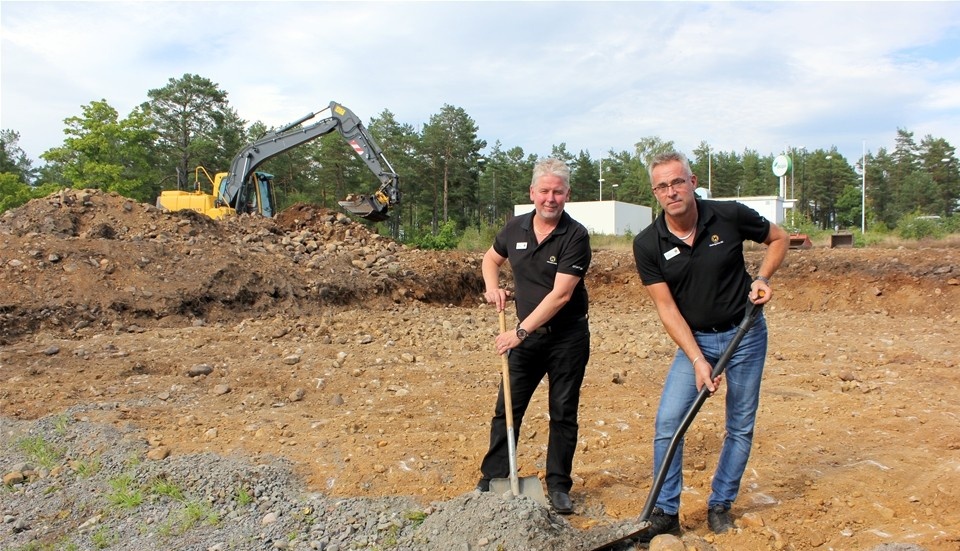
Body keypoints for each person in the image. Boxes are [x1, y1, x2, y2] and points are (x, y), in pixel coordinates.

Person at [632, 151, 789, 539]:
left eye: (678, 181)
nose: (672, 191)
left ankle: (720, 504)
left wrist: (763, 277)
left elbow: (779, 238)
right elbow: (667, 309)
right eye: (663, 186)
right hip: (696, 340)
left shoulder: (728, 215)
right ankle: (666, 512)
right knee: (669, 423)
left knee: (739, 424)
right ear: (655, 192)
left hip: (745, 334)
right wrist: (698, 359)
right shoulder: (648, 243)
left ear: (692, 180)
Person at [476, 157, 591, 515]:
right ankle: (493, 476)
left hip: (566, 337)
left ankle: (558, 485)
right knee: (507, 408)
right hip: (525, 339)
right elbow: (490, 259)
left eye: (558, 191)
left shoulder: (576, 236)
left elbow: (561, 295)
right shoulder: (515, 229)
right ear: (532, 193)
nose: (550, 198)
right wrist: (492, 288)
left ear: (567, 194)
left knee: (562, 411)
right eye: (544, 191)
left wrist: (520, 331)